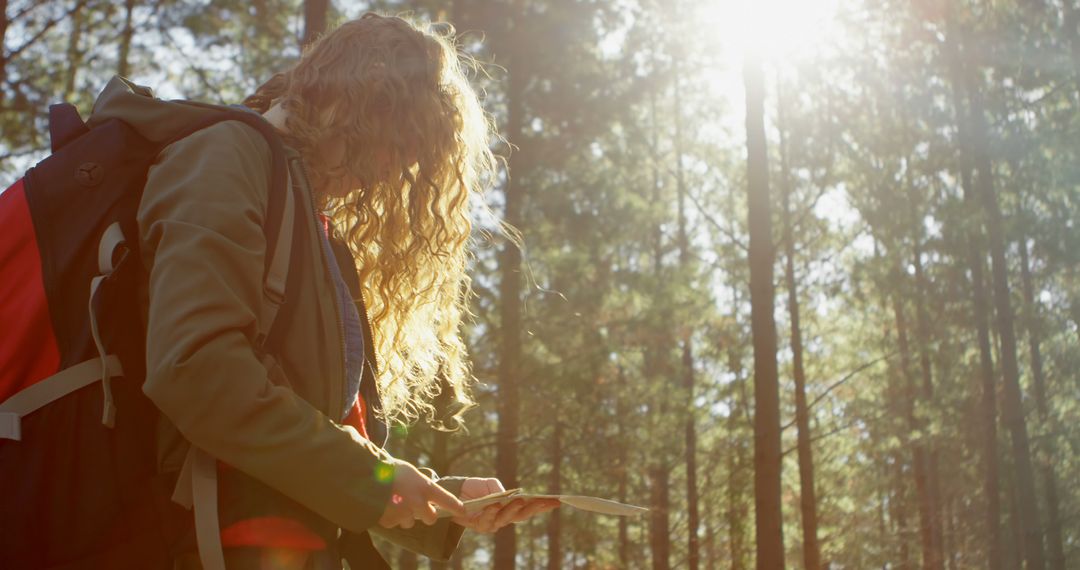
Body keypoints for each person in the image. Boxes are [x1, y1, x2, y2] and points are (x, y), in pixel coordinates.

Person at [88, 12, 557, 569]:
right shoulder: (225, 156)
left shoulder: (309, 220)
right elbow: (197, 369)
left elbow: (309, 441)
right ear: (355, 99)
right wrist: (375, 482)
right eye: (395, 141)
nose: (390, 170)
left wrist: (439, 497)